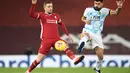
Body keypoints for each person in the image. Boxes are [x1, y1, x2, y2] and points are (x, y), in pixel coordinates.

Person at [25, 0, 84, 73]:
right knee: (38, 60)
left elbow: (62, 24)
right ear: (44, 8)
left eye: (51, 6)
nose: (51, 8)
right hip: (46, 40)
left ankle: (74, 59)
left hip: (56, 39)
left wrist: (68, 35)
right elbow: (31, 14)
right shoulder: (41, 15)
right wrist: (33, 4)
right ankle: (28, 71)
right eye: (49, 7)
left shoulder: (56, 16)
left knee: (65, 45)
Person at [78, 0, 125, 73]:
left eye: (98, 4)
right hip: (88, 30)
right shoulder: (88, 10)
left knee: (100, 56)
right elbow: (82, 18)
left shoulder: (105, 11)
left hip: (97, 34)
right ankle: (81, 45)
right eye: (95, 3)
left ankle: (97, 68)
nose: (96, 5)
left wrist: (119, 7)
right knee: (85, 35)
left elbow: (116, 12)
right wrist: (85, 21)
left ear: (102, 4)